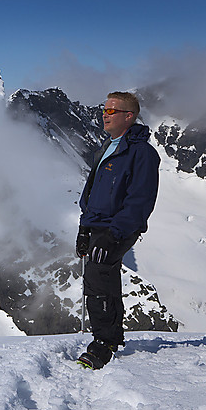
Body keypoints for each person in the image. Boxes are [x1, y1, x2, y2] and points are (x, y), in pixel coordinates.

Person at [75, 91, 160, 369]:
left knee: (99, 277)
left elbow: (140, 198)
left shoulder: (142, 153)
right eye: (104, 109)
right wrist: (84, 228)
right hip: (98, 225)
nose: (105, 114)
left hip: (115, 227)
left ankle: (104, 344)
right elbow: (93, 191)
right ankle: (109, 337)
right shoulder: (108, 146)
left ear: (129, 116)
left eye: (112, 110)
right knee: (98, 278)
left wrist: (116, 233)